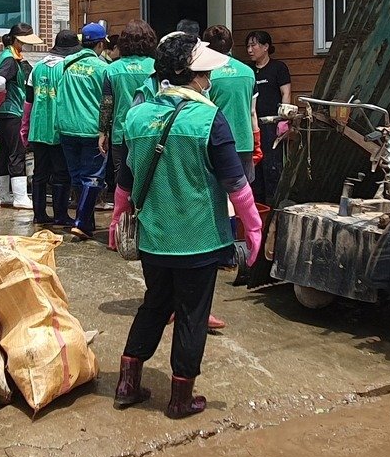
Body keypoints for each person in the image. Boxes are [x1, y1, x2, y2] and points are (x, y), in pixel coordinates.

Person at [109, 33, 264, 419]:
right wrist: (255, 228)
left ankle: (127, 382)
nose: (208, 80)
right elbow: (237, 184)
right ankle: (180, 399)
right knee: (193, 314)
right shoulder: (209, 118)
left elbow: (126, 179)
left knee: (155, 305)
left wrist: (116, 218)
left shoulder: (138, 115)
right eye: (203, 73)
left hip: (154, 237)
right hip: (198, 238)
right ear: (189, 75)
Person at [99, 20, 158, 238]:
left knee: (122, 184)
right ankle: (147, 232)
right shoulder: (156, 67)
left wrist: (102, 133)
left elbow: (107, 104)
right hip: (152, 133)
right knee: (149, 180)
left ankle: (119, 233)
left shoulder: (112, 69)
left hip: (121, 135)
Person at [55, 22, 109, 240]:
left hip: (67, 127)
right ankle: (81, 223)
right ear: (100, 43)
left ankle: (86, 219)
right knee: (93, 176)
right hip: (90, 130)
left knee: (77, 175)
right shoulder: (103, 69)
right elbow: (106, 102)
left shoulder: (66, 64)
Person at [0, 22, 43, 208]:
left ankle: (3, 195)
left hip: (3, 113)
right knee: (17, 152)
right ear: (17, 40)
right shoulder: (9, 58)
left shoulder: (10, 56)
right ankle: (20, 197)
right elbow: (0, 81)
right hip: (12, 111)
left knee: (4, 151)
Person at [27, 30, 80, 227]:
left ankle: (39, 214)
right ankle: (60, 215)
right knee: (61, 173)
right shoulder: (66, 68)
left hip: (38, 127)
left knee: (40, 173)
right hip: (59, 128)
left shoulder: (37, 67)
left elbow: (29, 99)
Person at [203, 25, 258, 181]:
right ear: (231, 44)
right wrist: (256, 140)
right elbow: (252, 111)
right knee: (243, 193)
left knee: (219, 196)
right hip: (244, 141)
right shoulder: (248, 71)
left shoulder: (206, 74)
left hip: (216, 142)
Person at [247, 30, 292, 205]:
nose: (250, 50)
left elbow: (286, 94)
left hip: (272, 124)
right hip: (252, 124)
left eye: (254, 45)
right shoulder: (248, 71)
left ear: (266, 47)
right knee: (254, 166)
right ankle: (257, 204)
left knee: (272, 166)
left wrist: (284, 121)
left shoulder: (278, 68)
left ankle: (273, 204)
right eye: (248, 46)